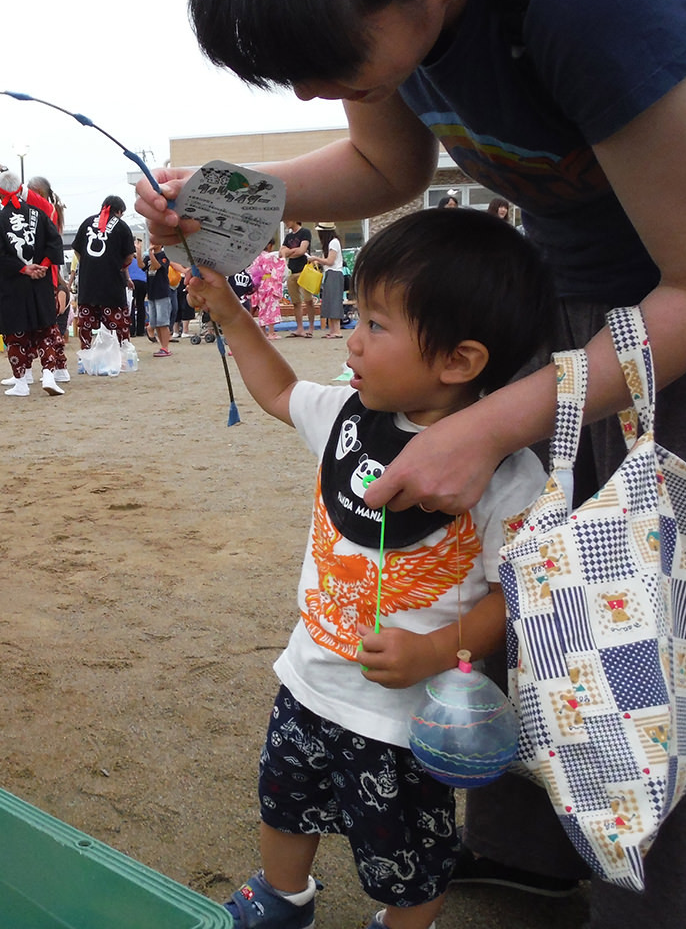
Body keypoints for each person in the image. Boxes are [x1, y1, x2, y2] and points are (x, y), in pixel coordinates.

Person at [138, 0, 686, 923]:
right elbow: (388, 166)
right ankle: (531, 848)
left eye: (330, 62)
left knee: (644, 610)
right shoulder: (394, 14)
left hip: (670, 307)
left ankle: (650, 889)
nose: (314, 92)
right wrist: (237, 196)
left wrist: (493, 421)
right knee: (538, 584)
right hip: (562, 287)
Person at [187, 209, 553, 929]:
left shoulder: (506, 473)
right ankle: (283, 897)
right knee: (285, 802)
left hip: (406, 719)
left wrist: (436, 650)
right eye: (356, 315)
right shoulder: (352, 416)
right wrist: (229, 314)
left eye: (376, 325)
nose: (351, 338)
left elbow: (520, 589)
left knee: (408, 851)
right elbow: (278, 392)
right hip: (309, 675)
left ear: (459, 361)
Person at [0, 171, 67, 396]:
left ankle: (21, 382)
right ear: (20, 189)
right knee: (46, 331)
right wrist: (41, 265)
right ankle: (49, 375)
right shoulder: (39, 214)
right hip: (40, 284)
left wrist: (24, 268)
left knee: (16, 334)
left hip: (13, 286)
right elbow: (55, 243)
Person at [69, 195, 136, 360]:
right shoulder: (121, 226)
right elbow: (129, 256)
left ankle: (84, 355)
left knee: (86, 324)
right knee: (120, 323)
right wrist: (116, 266)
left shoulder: (87, 223)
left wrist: (90, 264)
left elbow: (77, 252)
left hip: (88, 283)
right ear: (119, 211)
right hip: (111, 282)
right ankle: (124, 354)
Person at [26, 175, 70, 382]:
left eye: (30, 191)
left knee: (47, 327)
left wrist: (4, 170)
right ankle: (32, 370)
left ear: (40, 194)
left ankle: (57, 368)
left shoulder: (46, 210)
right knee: (40, 327)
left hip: (45, 275)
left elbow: (17, 191)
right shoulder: (42, 212)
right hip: (41, 274)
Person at [307, 223, 344, 338]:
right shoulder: (332, 242)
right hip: (330, 273)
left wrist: (316, 258)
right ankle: (333, 330)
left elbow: (330, 261)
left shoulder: (333, 242)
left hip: (334, 273)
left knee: (334, 301)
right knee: (329, 300)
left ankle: (337, 330)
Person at [278, 220, 313, 338]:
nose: (286, 222)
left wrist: (288, 252)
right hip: (291, 271)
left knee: (308, 300)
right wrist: (292, 252)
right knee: (296, 302)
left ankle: (311, 327)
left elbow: (302, 250)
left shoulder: (305, 232)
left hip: (304, 270)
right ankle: (300, 328)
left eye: (288, 220)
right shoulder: (288, 236)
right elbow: (280, 252)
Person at [247, 239, 286, 339]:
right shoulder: (270, 256)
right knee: (270, 308)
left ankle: (263, 332)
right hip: (269, 284)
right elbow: (279, 267)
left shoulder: (255, 257)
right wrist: (284, 257)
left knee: (262, 308)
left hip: (258, 284)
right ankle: (271, 332)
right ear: (269, 245)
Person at [144, 242, 175, 356]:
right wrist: (138, 252)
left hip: (162, 293)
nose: (152, 243)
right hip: (151, 293)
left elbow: (157, 266)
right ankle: (162, 346)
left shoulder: (164, 256)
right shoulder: (147, 257)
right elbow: (142, 266)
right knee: (156, 323)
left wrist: (151, 253)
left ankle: (166, 347)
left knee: (163, 322)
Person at [128, 236, 150, 341]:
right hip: (143, 280)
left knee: (132, 305)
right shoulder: (140, 256)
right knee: (141, 304)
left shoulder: (126, 255)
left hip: (131, 280)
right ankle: (141, 330)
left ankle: (131, 330)